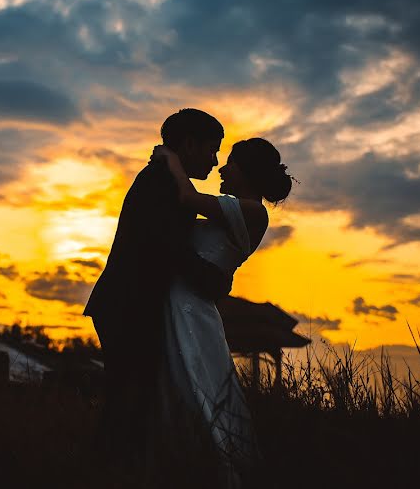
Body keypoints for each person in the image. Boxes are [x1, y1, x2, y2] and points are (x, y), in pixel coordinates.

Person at [82, 108, 229, 472]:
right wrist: (211, 280)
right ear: (189, 144)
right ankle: (108, 472)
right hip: (128, 305)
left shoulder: (167, 179)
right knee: (129, 398)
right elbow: (166, 246)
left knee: (132, 398)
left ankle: (115, 470)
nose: (214, 161)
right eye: (211, 150)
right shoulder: (161, 182)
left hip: (129, 304)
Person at [151, 137, 294, 486]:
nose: (222, 167)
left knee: (199, 385)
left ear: (246, 171)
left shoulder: (253, 211)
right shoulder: (233, 206)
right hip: (183, 304)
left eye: (230, 162)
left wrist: (171, 159)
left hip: (193, 312)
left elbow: (187, 198)